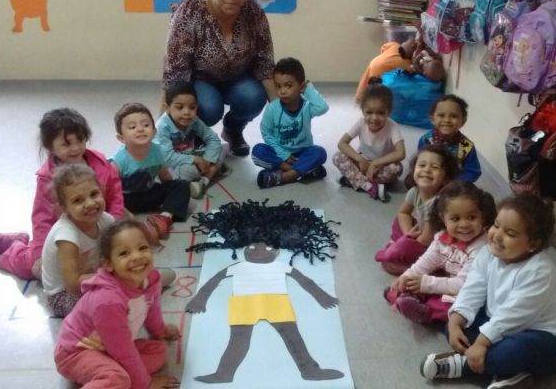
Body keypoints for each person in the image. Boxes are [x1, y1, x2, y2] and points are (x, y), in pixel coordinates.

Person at [420, 195, 556, 388]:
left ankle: (463, 364)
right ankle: (511, 376)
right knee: (456, 325)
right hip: (501, 324)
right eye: (496, 225)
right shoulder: (487, 253)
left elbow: (513, 314)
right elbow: (472, 290)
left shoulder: (539, 271)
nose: (497, 235)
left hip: (549, 341)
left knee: (513, 350)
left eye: (510, 233)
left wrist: (482, 343)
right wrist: (455, 323)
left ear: (533, 244)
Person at [185, 200, 344, 383]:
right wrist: (199, 300)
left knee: (292, 338)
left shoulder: (280, 266)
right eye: (253, 248)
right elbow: (214, 281)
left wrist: (322, 297)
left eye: (266, 248)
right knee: (239, 341)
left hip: (274, 302)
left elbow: (305, 281)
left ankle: (310, 371)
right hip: (245, 303)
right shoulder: (238, 267)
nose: (259, 251)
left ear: (276, 252)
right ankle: (224, 374)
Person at [0, 108, 124, 280]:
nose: (75, 148)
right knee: (35, 269)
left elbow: (116, 196)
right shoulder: (47, 178)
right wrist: (40, 252)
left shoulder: (100, 163)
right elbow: (42, 218)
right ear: (50, 147)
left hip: (95, 230)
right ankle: (14, 248)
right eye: (66, 144)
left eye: (80, 140)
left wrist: (114, 228)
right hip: (64, 236)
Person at [162, 0, 275, 157]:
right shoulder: (188, 13)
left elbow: (265, 63)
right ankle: (195, 136)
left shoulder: (253, 12)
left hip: (239, 78)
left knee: (254, 97)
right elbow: (174, 75)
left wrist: (280, 111)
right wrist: (161, 133)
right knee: (208, 107)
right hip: (200, 81)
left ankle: (233, 131)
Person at [54, 219, 181, 389]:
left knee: (158, 350)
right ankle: (113, 378)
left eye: (143, 248)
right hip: (76, 352)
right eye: (124, 253)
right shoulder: (107, 301)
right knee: (118, 379)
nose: (137, 257)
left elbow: (152, 309)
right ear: (108, 264)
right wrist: (146, 384)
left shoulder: (151, 279)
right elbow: (123, 350)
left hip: (108, 347)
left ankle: (110, 376)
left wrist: (160, 331)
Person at [385, 181, 496, 324]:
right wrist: (407, 276)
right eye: (455, 219)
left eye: (472, 217)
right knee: (414, 281)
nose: (464, 224)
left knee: (454, 306)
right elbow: (426, 261)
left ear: (483, 216)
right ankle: (405, 296)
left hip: (466, 289)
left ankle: (426, 312)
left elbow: (463, 284)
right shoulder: (441, 237)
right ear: (443, 218)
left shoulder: (481, 249)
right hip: (448, 278)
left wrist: (426, 283)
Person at [40, 164, 116, 318]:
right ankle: (14, 251)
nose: (90, 203)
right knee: (107, 302)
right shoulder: (66, 236)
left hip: (92, 277)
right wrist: (113, 278)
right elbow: (73, 285)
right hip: (63, 295)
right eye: (78, 200)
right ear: (64, 208)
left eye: (94, 194)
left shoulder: (107, 220)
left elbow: (116, 253)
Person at [110, 103, 190, 245]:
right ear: (121, 138)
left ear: (154, 132)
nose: (140, 129)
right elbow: (110, 193)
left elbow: (164, 176)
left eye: (146, 125)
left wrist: (174, 191)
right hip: (125, 200)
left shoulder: (158, 150)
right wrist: (128, 216)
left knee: (181, 185)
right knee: (106, 207)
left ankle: (164, 218)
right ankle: (134, 227)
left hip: (148, 193)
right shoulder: (118, 161)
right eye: (132, 127)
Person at [375, 146, 458, 275]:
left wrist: (406, 241)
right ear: (414, 170)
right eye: (422, 165)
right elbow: (403, 213)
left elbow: (426, 240)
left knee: (403, 249)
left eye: (435, 167)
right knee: (398, 222)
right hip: (423, 233)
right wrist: (408, 233)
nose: (427, 170)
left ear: (446, 178)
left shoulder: (437, 203)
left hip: (436, 246)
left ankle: (408, 262)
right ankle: (399, 252)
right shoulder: (414, 191)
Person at [251, 57, 329, 188]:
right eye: (278, 86)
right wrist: (283, 154)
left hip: (302, 152)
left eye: (288, 86)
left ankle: (283, 177)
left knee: (320, 153)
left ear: (301, 86)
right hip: (279, 154)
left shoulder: (307, 106)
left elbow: (322, 107)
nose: (282, 91)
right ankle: (300, 171)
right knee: (258, 151)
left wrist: (308, 88)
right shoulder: (272, 109)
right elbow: (266, 133)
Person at [333, 77, 405, 202]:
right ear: (362, 111)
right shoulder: (361, 122)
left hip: (381, 165)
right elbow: (342, 143)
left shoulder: (393, 127)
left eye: (380, 113)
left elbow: (401, 153)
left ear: (389, 112)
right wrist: (359, 159)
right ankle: (369, 186)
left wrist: (376, 163)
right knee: (337, 157)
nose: (374, 118)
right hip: (362, 163)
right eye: (369, 112)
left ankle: (353, 179)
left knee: (396, 168)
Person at [155, 81, 227, 200]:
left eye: (192, 107)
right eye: (180, 107)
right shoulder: (162, 127)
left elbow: (212, 139)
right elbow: (167, 157)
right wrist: (196, 160)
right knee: (175, 175)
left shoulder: (194, 120)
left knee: (224, 146)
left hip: (192, 156)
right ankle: (211, 172)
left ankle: (203, 179)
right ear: (167, 108)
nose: (187, 112)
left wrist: (207, 160)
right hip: (174, 164)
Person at [414, 95, 481, 184]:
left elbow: (473, 172)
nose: (447, 120)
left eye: (454, 116)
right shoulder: (425, 140)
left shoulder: (467, 146)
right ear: (432, 119)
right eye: (441, 115)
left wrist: (454, 181)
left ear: (463, 121)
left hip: (454, 184)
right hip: (430, 180)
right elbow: (420, 163)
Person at [355, 35, 416, 103]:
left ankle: (360, 96)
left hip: (375, 64)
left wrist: (385, 57)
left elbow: (383, 48)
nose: (403, 42)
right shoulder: (407, 65)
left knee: (366, 80)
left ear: (412, 45)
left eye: (406, 41)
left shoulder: (395, 45)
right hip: (385, 76)